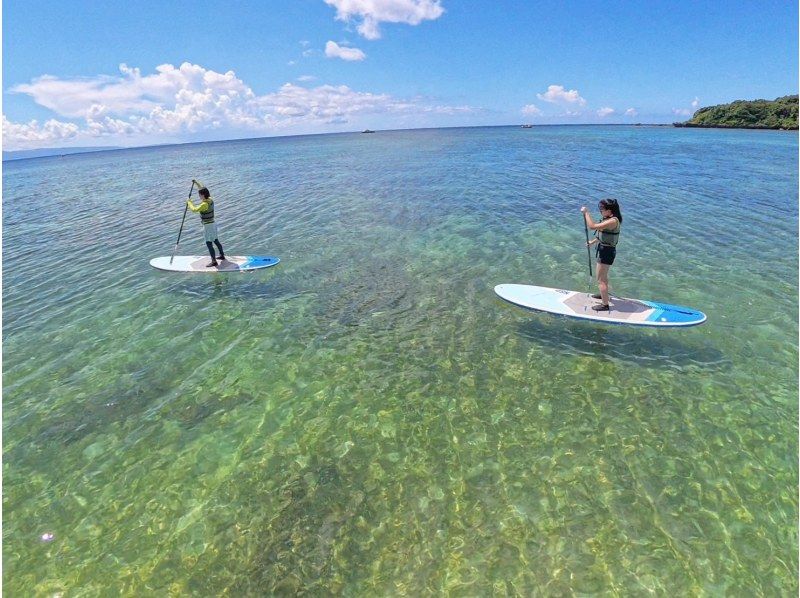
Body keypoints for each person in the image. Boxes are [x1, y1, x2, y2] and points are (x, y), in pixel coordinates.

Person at [581, 198, 622, 311]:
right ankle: (604, 295)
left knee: (600, 280)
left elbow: (592, 226)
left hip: (607, 252)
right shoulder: (609, 219)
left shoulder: (613, 221)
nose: (600, 211)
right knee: (603, 277)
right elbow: (604, 235)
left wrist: (586, 213)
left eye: (602, 209)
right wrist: (592, 242)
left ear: (610, 210)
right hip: (605, 250)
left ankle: (605, 305)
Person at [187, 179, 226, 267]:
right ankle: (222, 255)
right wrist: (196, 183)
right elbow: (202, 187)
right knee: (215, 240)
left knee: (208, 243)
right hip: (213, 224)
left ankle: (214, 261)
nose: (199, 196)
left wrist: (189, 202)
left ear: (203, 195)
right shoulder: (210, 199)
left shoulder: (204, 205)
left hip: (208, 226)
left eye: (199, 194)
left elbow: (194, 209)